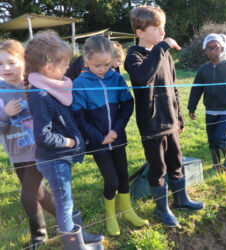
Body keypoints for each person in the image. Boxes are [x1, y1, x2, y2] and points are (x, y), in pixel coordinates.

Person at [124, 5, 204, 228]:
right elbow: (142, 78)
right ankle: (162, 209)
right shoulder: (133, 56)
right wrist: (161, 46)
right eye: (156, 28)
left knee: (176, 161)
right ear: (140, 32)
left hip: (170, 120)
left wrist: (179, 115)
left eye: (163, 28)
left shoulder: (165, 55)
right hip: (151, 123)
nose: (162, 32)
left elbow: (173, 87)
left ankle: (181, 199)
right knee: (158, 168)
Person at [25, 31, 103, 250]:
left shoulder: (53, 87)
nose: (67, 68)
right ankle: (74, 246)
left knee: (66, 200)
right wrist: (69, 142)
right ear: (49, 68)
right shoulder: (40, 95)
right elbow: (42, 135)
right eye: (64, 64)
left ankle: (80, 236)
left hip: (59, 158)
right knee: (64, 203)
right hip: (53, 159)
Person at [71, 35, 148, 236]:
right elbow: (78, 115)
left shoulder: (116, 77)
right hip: (98, 143)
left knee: (123, 177)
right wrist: (98, 137)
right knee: (111, 180)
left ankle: (127, 210)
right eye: (97, 65)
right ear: (86, 59)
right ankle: (110, 216)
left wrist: (117, 130)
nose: (103, 69)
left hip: (117, 138)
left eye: (107, 64)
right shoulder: (80, 83)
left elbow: (127, 104)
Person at [0, 39, 56, 248]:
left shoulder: (35, 85)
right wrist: (5, 114)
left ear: (23, 61)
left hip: (39, 150)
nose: (5, 68)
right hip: (16, 153)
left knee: (28, 196)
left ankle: (42, 235)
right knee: (37, 194)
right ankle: (58, 227)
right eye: (0, 63)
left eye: (11, 62)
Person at [187, 34, 226, 171]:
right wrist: (191, 107)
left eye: (215, 48)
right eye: (209, 49)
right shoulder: (203, 69)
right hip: (210, 110)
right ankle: (215, 165)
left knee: (219, 137)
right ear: (205, 50)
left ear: (222, 48)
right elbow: (196, 90)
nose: (212, 52)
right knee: (211, 139)